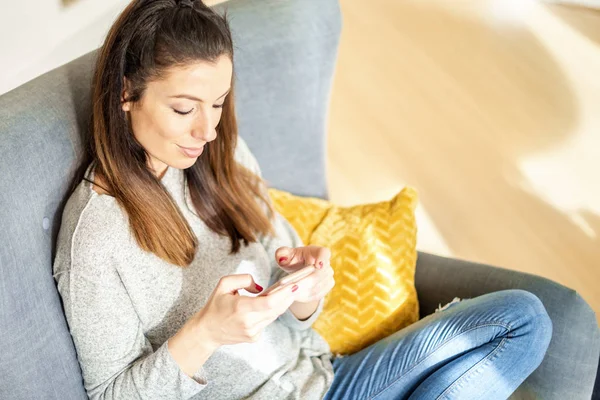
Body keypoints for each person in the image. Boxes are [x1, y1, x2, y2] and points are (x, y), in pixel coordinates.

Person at [52, 1, 553, 399]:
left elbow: (287, 274)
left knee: (523, 319)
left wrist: (306, 289)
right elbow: (111, 393)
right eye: (184, 109)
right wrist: (205, 333)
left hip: (325, 378)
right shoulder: (95, 240)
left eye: (218, 104)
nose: (207, 129)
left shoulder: (221, 153)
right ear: (125, 94)